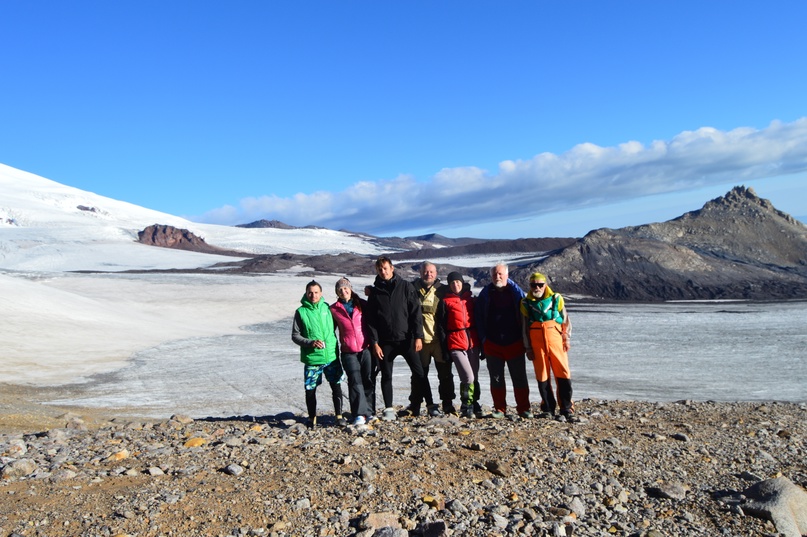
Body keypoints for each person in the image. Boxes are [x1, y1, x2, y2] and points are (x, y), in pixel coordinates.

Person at [365, 256, 428, 421]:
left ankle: (425, 405)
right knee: (386, 375)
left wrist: (418, 337)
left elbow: (416, 313)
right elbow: (371, 320)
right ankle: (388, 409)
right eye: (380, 269)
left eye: (385, 268)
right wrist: (375, 343)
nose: (383, 271)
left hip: (406, 339)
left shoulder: (406, 287)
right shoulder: (375, 292)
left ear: (392, 268)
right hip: (386, 342)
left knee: (419, 372)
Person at [474, 262, 533, 419]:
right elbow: (478, 317)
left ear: (507, 275)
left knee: (519, 377)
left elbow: (526, 315)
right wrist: (484, 340)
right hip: (493, 344)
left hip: (515, 342)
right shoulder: (486, 294)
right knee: (496, 378)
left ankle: (523, 408)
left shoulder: (516, 293)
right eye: (494, 274)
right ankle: (500, 408)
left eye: (500, 274)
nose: (497, 277)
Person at [520, 272, 577, 422]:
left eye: (540, 284)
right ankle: (548, 408)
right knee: (542, 375)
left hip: (556, 341)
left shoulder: (556, 299)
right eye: (534, 285)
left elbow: (565, 321)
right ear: (530, 286)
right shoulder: (525, 303)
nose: (537, 287)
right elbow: (525, 328)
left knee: (563, 373)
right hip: (537, 343)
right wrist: (528, 348)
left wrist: (567, 339)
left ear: (546, 285)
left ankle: (566, 407)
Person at [291, 280, 346, 428]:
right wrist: (310, 342)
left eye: (316, 292)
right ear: (306, 293)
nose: (313, 295)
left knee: (336, 386)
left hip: (330, 356)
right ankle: (312, 419)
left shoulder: (328, 308)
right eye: (310, 292)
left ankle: (339, 416)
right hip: (312, 358)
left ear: (321, 293)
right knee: (310, 389)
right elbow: (295, 335)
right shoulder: (301, 312)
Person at [330, 277, 377, 426]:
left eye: (345, 288)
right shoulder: (334, 309)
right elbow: (330, 330)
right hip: (348, 351)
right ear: (337, 292)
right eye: (340, 289)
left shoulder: (361, 304)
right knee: (355, 381)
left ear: (350, 288)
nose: (343, 291)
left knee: (368, 379)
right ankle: (359, 414)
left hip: (365, 348)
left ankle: (369, 412)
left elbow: (373, 322)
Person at [436, 271, 482, 419]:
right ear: (449, 285)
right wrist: (444, 347)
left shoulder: (471, 300)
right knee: (467, 376)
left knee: (473, 376)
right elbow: (441, 326)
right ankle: (466, 404)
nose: (456, 285)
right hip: (455, 341)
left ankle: (474, 402)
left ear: (462, 282)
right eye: (452, 283)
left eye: (458, 282)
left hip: (472, 341)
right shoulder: (445, 302)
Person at [413, 261, 456, 416]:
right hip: (420, 341)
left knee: (445, 374)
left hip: (439, 340)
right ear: (420, 272)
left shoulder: (443, 290)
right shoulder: (412, 288)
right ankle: (415, 404)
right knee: (419, 375)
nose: (428, 274)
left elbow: (460, 290)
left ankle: (448, 403)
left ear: (436, 273)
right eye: (425, 271)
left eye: (431, 272)